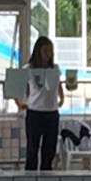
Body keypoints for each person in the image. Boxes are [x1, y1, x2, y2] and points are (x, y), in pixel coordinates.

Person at [16, 36, 64, 171]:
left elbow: (58, 84)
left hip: (51, 113)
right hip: (35, 113)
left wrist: (62, 98)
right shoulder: (28, 68)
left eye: (51, 51)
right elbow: (16, 86)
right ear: (38, 51)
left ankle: (46, 179)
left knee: (49, 150)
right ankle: (30, 180)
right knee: (32, 149)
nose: (48, 54)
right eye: (45, 51)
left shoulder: (54, 68)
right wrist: (19, 103)